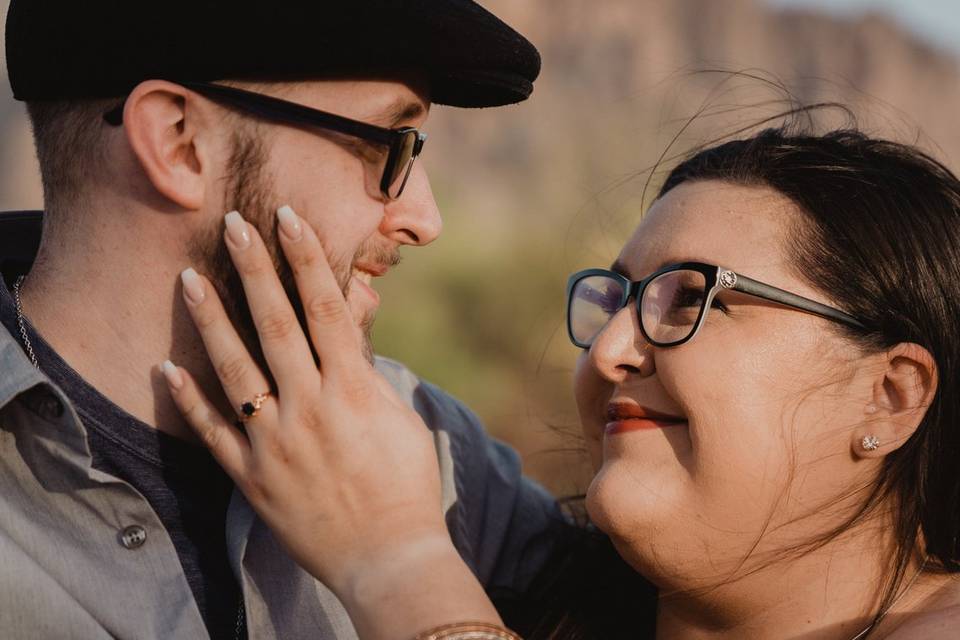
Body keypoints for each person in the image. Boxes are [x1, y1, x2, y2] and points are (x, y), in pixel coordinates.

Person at [173, 120, 960, 639]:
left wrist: (399, 563)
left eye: (690, 297)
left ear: (889, 395)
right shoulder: (541, 578)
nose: (611, 348)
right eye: (615, 298)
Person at [0, 1, 568, 638]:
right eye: (388, 144)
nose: (424, 220)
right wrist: (402, 569)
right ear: (178, 142)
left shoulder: (417, 440)